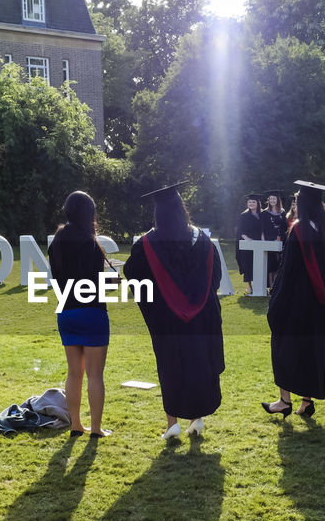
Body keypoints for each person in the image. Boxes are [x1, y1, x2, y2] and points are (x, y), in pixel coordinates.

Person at [124, 182, 225, 440]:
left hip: (167, 321)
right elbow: (215, 278)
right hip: (201, 320)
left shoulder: (148, 243)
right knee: (197, 365)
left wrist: (157, 304)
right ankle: (197, 418)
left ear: (158, 213)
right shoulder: (202, 240)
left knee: (171, 367)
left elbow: (133, 275)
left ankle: (172, 425)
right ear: (182, 209)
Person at [262, 181, 325, 418]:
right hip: (316, 306)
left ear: (302, 203)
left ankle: (284, 400)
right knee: (309, 352)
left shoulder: (299, 230)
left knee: (284, 349)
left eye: (296, 200)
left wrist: (275, 304)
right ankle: (306, 402)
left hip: (295, 305)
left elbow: (287, 271)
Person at [47, 191, 111, 436]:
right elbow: (93, 281)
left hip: (66, 310)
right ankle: (96, 429)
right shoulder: (89, 241)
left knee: (74, 373)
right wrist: (110, 282)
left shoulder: (57, 241)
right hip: (92, 310)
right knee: (95, 375)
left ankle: (76, 424)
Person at [235, 193, 263, 294]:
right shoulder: (244, 215)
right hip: (248, 243)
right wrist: (247, 239)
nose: (251, 203)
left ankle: (259, 285)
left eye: (253, 202)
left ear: (258, 203)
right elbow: (240, 230)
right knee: (248, 264)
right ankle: (249, 286)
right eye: (250, 202)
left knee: (259, 264)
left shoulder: (262, 215)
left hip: (260, 243)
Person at [260, 190, 288, 290]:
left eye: (274, 199)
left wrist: (283, 239)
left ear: (278, 200)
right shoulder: (264, 213)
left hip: (281, 241)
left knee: (279, 263)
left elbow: (285, 227)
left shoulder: (283, 212)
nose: (272, 200)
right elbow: (262, 229)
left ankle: (276, 285)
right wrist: (264, 242)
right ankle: (271, 285)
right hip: (269, 241)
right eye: (270, 199)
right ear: (268, 200)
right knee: (271, 264)